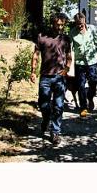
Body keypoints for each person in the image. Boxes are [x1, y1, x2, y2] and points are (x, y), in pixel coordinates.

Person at [30, 13, 72, 146]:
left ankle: (55, 132)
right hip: (45, 77)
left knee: (59, 106)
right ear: (52, 23)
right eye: (57, 24)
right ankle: (46, 119)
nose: (60, 27)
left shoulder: (66, 39)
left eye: (62, 25)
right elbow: (35, 55)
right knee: (44, 104)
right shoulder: (42, 37)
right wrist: (33, 71)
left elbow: (69, 56)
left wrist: (66, 69)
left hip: (59, 77)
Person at [69, 12, 97, 117]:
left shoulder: (92, 29)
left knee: (93, 81)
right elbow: (70, 49)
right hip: (79, 63)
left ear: (85, 22)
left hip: (92, 61)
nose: (80, 26)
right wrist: (69, 63)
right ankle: (83, 107)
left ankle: (90, 97)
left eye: (81, 24)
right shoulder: (72, 33)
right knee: (80, 85)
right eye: (77, 24)